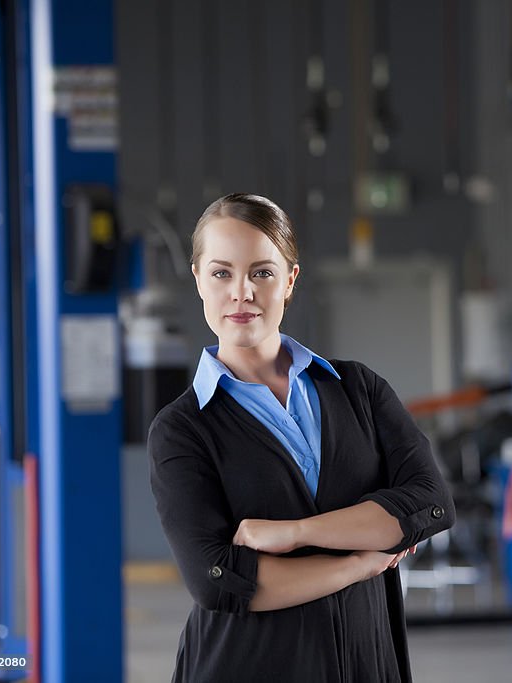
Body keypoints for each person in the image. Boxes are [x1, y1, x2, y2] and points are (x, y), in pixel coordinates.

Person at [148, 193, 455, 682]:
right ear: (198, 279)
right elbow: (220, 580)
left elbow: (430, 505)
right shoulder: (182, 429)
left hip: (365, 664)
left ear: (290, 280)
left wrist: (292, 534)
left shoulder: (358, 391)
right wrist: (360, 563)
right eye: (222, 272)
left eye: (262, 272)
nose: (242, 292)